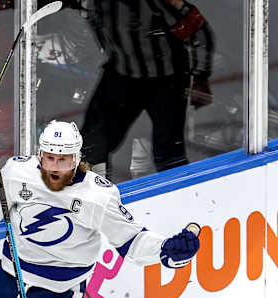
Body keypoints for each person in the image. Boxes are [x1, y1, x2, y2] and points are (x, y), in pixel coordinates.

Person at [0, 120, 200, 298]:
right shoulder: (16, 174)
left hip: (57, 295)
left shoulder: (97, 196)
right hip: (7, 281)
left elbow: (132, 241)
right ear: (40, 155)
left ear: (76, 159)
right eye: (49, 158)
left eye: (63, 160)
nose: (54, 167)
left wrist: (167, 250)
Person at [80, 0, 215, 179]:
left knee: (168, 152)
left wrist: (200, 77)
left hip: (165, 80)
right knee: (92, 144)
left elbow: (199, 32)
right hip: (122, 76)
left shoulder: (157, 3)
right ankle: (95, 192)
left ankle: (178, 193)